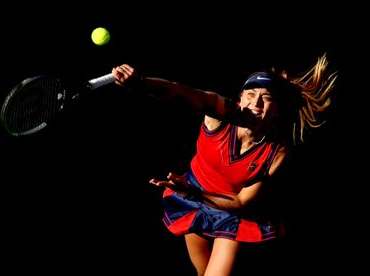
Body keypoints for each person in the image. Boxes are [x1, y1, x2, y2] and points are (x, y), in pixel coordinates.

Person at [111, 53, 338, 276]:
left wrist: (194, 193)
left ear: (277, 108)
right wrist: (141, 83)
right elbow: (177, 90)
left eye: (267, 97)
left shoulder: (276, 152)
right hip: (192, 197)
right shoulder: (219, 115)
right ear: (240, 98)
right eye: (250, 94)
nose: (256, 103)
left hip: (232, 213)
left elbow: (241, 201)